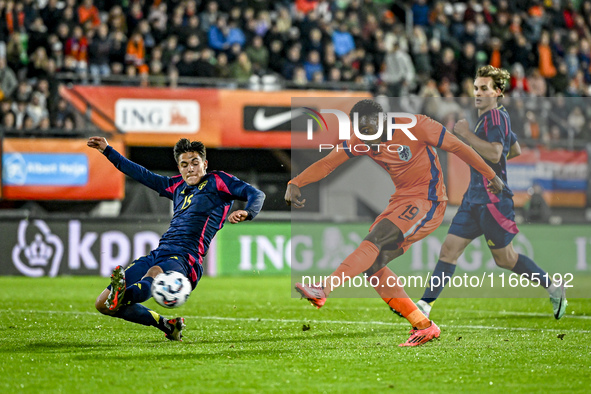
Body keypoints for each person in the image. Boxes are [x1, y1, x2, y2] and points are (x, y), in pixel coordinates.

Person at [286, 99, 504, 347]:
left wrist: (490, 174)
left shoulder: (417, 126)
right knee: (374, 267)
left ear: (382, 121)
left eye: (368, 131)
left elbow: (457, 147)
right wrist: (296, 182)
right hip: (400, 201)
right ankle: (424, 326)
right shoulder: (361, 140)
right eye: (359, 131)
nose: (364, 138)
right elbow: (328, 163)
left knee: (375, 240)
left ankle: (324, 288)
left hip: (428, 201)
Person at [415, 65, 567, 320]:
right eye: (475, 88)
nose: (477, 93)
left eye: (483, 89)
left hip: (493, 201)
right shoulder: (496, 116)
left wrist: (465, 136)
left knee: (505, 259)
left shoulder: (495, 117)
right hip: (473, 198)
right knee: (449, 250)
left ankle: (553, 287)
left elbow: (497, 152)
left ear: (497, 92)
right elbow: (514, 149)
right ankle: (425, 304)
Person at [88, 137, 265, 340]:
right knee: (102, 304)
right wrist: (108, 150)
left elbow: (256, 194)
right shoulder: (177, 186)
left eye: (195, 163)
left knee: (153, 273)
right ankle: (166, 324)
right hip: (160, 252)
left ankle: (123, 295)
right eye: (184, 164)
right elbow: (142, 174)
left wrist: (248, 212)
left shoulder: (218, 181)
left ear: (204, 164)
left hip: (186, 259)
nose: (190, 168)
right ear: (179, 168)